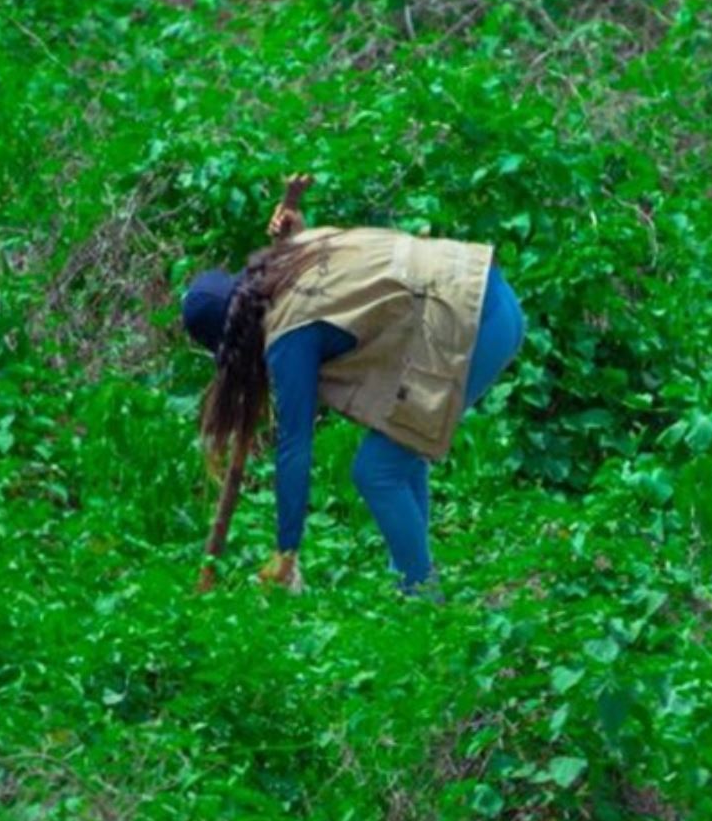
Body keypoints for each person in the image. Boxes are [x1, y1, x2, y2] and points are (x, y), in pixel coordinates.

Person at [182, 212, 524, 595]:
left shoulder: (288, 332)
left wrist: (286, 550)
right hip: (491, 294)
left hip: (474, 318)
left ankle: (425, 599)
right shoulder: (292, 258)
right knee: (398, 449)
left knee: (377, 471)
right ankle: (408, 581)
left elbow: (295, 446)